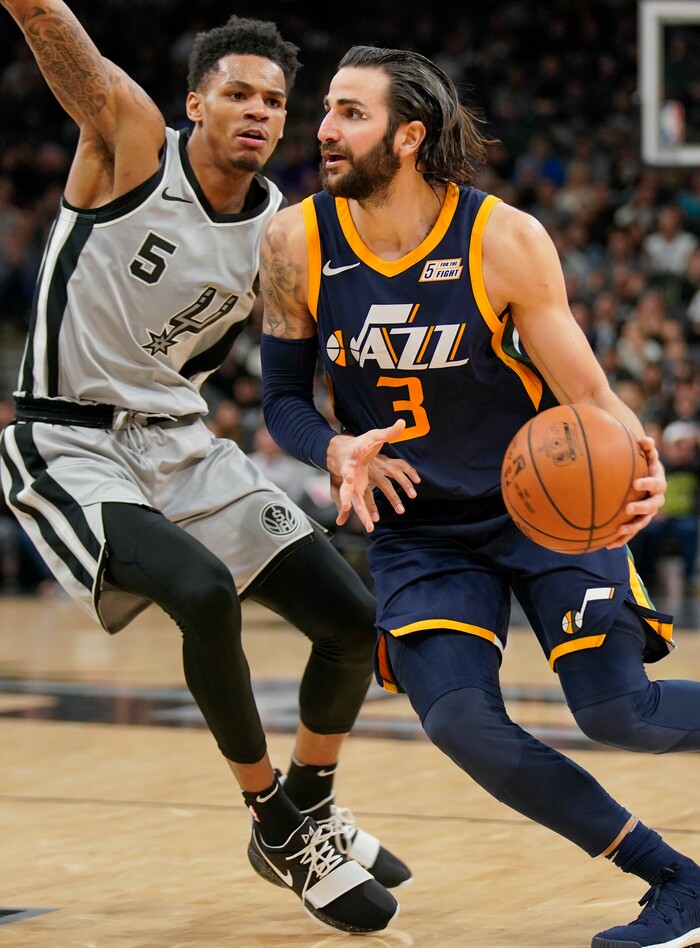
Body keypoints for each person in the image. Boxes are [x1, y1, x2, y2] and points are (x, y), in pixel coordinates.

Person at [259, 44, 700, 948]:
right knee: (461, 721)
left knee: (620, 713)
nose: (325, 129)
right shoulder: (294, 240)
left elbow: (588, 392)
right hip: (422, 533)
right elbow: (280, 400)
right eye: (329, 109)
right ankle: (675, 879)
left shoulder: (502, 237)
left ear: (410, 136)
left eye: (351, 113)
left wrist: (636, 457)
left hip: (543, 508)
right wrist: (337, 447)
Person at [0, 5, 411, 935]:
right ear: (195, 104)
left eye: (274, 99)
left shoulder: (278, 234)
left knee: (352, 621)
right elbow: (67, 46)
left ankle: (310, 804)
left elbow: (290, 373)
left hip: (183, 446)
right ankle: (275, 824)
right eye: (237, 94)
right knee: (203, 590)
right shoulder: (132, 146)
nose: (259, 112)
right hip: (70, 440)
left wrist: (343, 440)